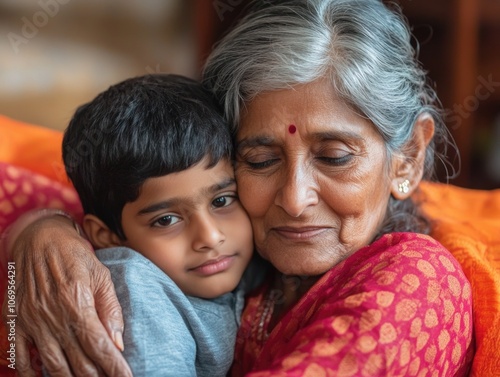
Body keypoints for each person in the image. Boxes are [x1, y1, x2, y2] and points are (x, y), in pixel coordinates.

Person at [3, 0, 474, 376]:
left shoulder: (419, 281)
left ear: (408, 157)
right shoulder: (243, 249)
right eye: (261, 160)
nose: (294, 199)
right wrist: (42, 233)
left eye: (334, 157)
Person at [60, 73, 256, 377]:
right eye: (166, 220)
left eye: (221, 201)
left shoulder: (240, 254)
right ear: (108, 237)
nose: (210, 236)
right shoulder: (133, 291)